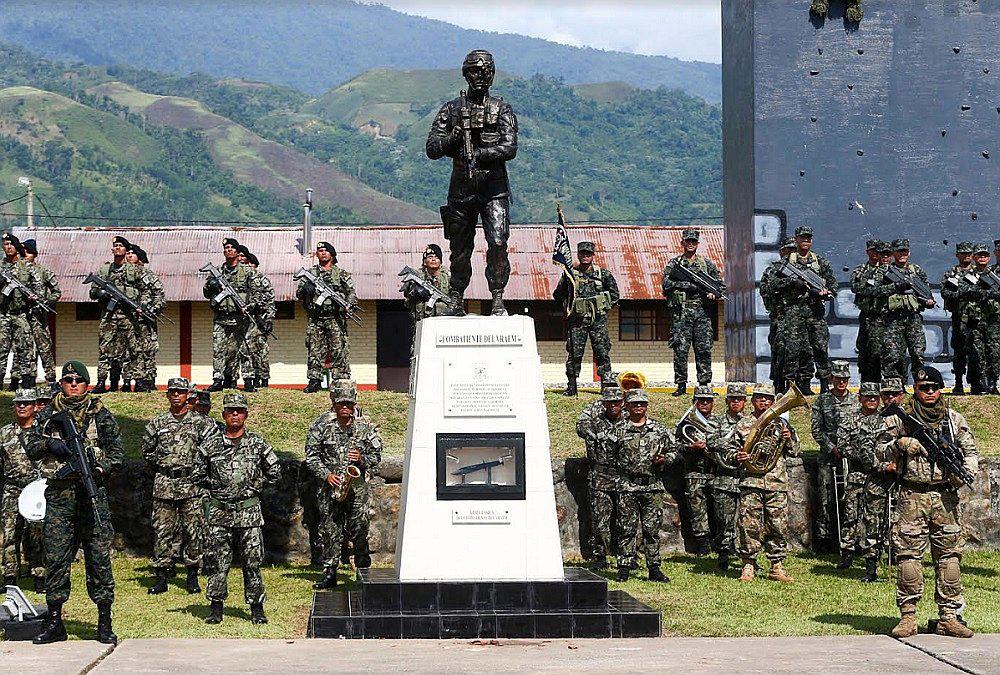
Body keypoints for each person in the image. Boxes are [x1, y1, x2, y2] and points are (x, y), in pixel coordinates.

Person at [27, 360, 124, 645]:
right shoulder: (47, 414)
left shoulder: (100, 414)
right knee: (56, 559)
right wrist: (49, 444)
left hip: (92, 495)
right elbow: (31, 447)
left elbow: (117, 450)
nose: (72, 384)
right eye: (67, 380)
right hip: (59, 497)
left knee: (98, 559)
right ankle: (55, 621)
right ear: (61, 384)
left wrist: (100, 467)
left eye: (77, 380)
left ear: (86, 384)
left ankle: (104, 621)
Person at [877, 366, 977, 638]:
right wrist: (899, 445)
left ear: (941, 389)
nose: (930, 392)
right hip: (912, 496)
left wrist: (962, 476)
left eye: (934, 387)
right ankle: (908, 616)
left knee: (950, 557)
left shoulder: (953, 421)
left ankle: (948, 616)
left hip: (945, 498)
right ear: (915, 390)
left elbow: (970, 453)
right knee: (908, 555)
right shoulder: (900, 419)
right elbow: (876, 451)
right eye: (924, 387)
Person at [425, 49, 518, 316]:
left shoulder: (502, 109)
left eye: (486, 70)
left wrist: (479, 154)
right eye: (475, 70)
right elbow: (432, 148)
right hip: (461, 189)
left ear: (493, 74)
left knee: (498, 243)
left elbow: (510, 147)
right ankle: (456, 297)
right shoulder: (451, 109)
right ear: (465, 74)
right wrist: (453, 139)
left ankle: (497, 297)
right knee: (460, 247)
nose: (481, 75)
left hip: (494, 189)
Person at [192, 393, 281, 625]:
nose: (234, 414)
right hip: (220, 512)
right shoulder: (210, 445)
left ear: (246, 415)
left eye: (239, 411)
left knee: (252, 561)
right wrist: (215, 488)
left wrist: (255, 486)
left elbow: (275, 472)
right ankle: (216, 607)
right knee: (217, 561)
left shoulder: (258, 443)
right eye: (230, 410)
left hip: (249, 513)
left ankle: (256, 607)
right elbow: (196, 473)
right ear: (223, 415)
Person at [141, 377, 222, 596]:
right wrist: (164, 466)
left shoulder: (201, 423)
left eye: (180, 391)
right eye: (172, 392)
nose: (176, 395)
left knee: (193, 531)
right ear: (167, 395)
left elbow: (213, 451)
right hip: (164, 485)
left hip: (192, 485)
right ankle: (161, 576)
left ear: (188, 395)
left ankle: (192, 575)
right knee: (162, 531)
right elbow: (147, 452)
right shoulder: (157, 423)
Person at [306, 380, 382, 590]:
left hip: (357, 489)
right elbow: (311, 457)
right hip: (330, 489)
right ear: (333, 402)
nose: (346, 407)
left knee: (360, 529)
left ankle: (363, 572)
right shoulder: (320, 425)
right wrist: (327, 475)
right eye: (341, 403)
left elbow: (376, 457)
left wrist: (361, 459)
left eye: (349, 403)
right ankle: (330, 574)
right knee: (330, 531)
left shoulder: (365, 427)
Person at [725, 383, 800, 583]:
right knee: (748, 524)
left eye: (767, 398)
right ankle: (748, 564)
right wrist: (737, 455)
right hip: (751, 481)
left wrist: (789, 438)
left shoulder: (782, 424)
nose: (764, 401)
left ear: (773, 402)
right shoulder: (742, 424)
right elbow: (729, 450)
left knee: (778, 524)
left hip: (776, 482)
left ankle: (777, 566)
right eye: (760, 397)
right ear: (752, 401)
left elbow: (794, 451)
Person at [612, 388, 675, 583]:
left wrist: (665, 459)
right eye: (634, 404)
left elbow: (674, 450)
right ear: (627, 406)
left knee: (652, 530)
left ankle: (654, 568)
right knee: (626, 528)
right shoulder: (618, 429)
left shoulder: (659, 429)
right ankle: (624, 566)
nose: (639, 407)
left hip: (652, 487)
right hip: (627, 487)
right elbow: (609, 456)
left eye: (642, 403)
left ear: (647, 406)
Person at [660, 229, 725, 397]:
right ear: (682, 243)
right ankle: (681, 385)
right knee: (680, 349)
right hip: (681, 314)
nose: (690, 244)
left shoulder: (706, 264)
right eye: (688, 241)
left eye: (694, 241)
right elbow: (666, 283)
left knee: (703, 349)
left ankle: (704, 384)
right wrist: (686, 285)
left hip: (702, 314)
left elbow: (720, 287)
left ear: (698, 243)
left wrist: (713, 294)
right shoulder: (675, 264)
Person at [772, 225, 836, 394]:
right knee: (792, 350)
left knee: (820, 348)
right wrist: (792, 283)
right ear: (797, 239)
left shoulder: (820, 262)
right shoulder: (785, 262)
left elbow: (832, 284)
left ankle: (824, 384)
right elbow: (772, 284)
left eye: (809, 238)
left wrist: (825, 292)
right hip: (793, 313)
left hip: (815, 313)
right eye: (803, 238)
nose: (806, 241)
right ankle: (793, 387)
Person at [838, 381, 890, 582]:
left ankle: (872, 562)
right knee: (851, 515)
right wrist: (862, 455)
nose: (871, 400)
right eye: (867, 397)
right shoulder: (850, 420)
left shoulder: (885, 420)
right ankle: (847, 552)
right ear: (859, 398)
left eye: (875, 397)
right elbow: (842, 445)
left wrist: (879, 462)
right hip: (857, 475)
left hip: (879, 478)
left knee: (874, 520)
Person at [554, 241, 620, 396]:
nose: (585, 256)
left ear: (593, 255)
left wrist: (602, 305)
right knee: (574, 353)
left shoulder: (603, 274)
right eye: (582, 253)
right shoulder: (570, 275)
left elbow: (615, 295)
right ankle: (572, 385)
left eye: (588, 253)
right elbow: (557, 295)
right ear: (578, 254)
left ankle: (606, 386)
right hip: (577, 321)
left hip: (598, 321)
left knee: (602, 352)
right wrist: (570, 304)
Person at [204, 238, 267, 392]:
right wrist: (210, 286)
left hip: (242, 317)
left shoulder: (248, 272)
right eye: (226, 247)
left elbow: (258, 294)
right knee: (219, 349)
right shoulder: (217, 272)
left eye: (232, 247)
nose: (229, 250)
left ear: (238, 253)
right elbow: (206, 293)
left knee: (246, 349)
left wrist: (249, 307)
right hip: (221, 317)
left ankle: (248, 380)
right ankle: (218, 379)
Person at [809, 360, 858, 555]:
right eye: (838, 379)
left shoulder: (856, 401)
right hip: (828, 459)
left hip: (851, 458)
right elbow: (816, 430)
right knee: (826, 499)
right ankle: (825, 540)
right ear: (831, 379)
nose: (841, 382)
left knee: (851, 499)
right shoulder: (822, 401)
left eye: (845, 379)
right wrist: (831, 447)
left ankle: (850, 540)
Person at [296, 242, 357, 393]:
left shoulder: (341, 274)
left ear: (332, 255)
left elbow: (351, 293)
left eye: (325, 251)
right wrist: (306, 289)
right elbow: (299, 293)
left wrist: (348, 306)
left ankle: (340, 380)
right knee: (314, 349)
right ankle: (314, 380)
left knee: (339, 349)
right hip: (316, 317)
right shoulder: (310, 273)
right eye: (319, 251)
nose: (322, 253)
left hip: (335, 317)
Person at [576, 383, 624, 571]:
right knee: (600, 521)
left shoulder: (630, 422)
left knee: (626, 520)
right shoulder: (594, 420)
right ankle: (601, 556)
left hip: (623, 477)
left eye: (616, 402)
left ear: (622, 402)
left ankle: (627, 556)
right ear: (603, 403)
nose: (612, 405)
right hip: (600, 476)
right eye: (609, 402)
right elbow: (580, 428)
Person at [1, 388, 44, 591]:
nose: (21, 406)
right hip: (12, 488)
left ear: (35, 407)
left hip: (36, 488)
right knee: (9, 533)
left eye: (26, 403)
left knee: (37, 533)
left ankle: (39, 576)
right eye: (18, 403)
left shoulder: (43, 430)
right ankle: (9, 577)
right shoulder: (5, 433)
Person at [89, 235, 143, 393]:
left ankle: (135, 381)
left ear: (126, 250)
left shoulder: (135, 271)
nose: (118, 248)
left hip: (128, 316)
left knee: (133, 350)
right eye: (116, 246)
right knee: (104, 349)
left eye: (121, 246)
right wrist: (101, 294)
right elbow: (92, 292)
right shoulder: (104, 270)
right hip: (109, 316)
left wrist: (141, 305)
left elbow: (147, 290)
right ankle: (101, 382)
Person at [880, 239, 935, 384]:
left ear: (909, 253)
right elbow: (876, 292)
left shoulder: (917, 271)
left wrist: (928, 302)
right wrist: (895, 287)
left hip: (913, 317)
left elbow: (926, 293)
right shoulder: (884, 271)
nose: (902, 254)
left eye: (904, 251)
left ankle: (919, 384)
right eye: (899, 251)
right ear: (893, 253)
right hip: (892, 318)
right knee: (894, 355)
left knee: (917, 353)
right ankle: (896, 386)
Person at [706, 383, 747, 571]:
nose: (735, 402)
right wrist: (735, 445)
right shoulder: (716, 421)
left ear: (745, 402)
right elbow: (712, 441)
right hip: (724, 479)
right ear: (727, 401)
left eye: (739, 399)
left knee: (747, 521)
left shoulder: (750, 421)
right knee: (724, 521)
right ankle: (723, 556)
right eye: (732, 399)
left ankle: (748, 559)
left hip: (746, 479)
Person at [677, 385, 718, 556]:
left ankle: (721, 540)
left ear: (713, 403)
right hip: (695, 472)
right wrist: (691, 447)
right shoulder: (686, 424)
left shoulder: (719, 421)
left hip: (716, 470)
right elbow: (675, 446)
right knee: (697, 508)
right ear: (695, 402)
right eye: (701, 401)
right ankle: (702, 543)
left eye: (708, 401)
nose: (705, 404)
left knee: (720, 507)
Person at [122, 245, 166, 392]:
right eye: (127, 253)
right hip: (127, 320)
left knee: (147, 350)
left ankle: (148, 380)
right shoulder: (121, 275)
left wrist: (151, 310)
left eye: (132, 254)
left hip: (145, 320)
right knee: (129, 351)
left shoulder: (146, 274)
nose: (128, 256)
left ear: (139, 257)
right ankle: (129, 381)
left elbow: (159, 295)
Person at [0, 233, 39, 391]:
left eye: (11, 244)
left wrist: (33, 297)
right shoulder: (1, 267)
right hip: (3, 314)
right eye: (5, 244)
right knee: (1, 350)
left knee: (25, 349)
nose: (8, 247)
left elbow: (38, 287)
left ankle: (27, 382)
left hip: (20, 313)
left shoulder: (26, 266)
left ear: (17, 247)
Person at [21, 239, 61, 388]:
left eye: (29, 252)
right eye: (23, 251)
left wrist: (45, 301)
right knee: (26, 349)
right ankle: (27, 380)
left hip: (38, 317)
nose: (25, 255)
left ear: (35, 254)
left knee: (44, 348)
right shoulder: (16, 272)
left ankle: (51, 379)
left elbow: (57, 291)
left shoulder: (43, 272)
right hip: (22, 316)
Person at [851, 239, 890, 383]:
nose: (875, 254)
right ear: (867, 252)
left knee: (882, 352)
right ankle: (867, 382)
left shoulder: (889, 270)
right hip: (867, 315)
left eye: (878, 252)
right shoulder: (861, 270)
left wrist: (876, 290)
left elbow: (894, 289)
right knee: (865, 349)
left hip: (885, 316)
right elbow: (855, 287)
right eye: (872, 251)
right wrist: (877, 290)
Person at [963, 243, 1000, 395]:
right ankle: (982, 383)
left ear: (989, 257)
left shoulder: (994, 275)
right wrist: (982, 293)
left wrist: (989, 294)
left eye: (985, 255)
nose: (982, 258)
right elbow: (964, 290)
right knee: (978, 353)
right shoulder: (969, 274)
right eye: (979, 255)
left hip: (993, 319)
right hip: (975, 320)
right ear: (974, 257)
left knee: (994, 352)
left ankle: (993, 383)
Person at [940, 242, 975, 395]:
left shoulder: (980, 273)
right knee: (959, 352)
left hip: (977, 319)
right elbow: (944, 292)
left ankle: (976, 383)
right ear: (957, 255)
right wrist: (962, 293)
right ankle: (959, 383)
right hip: (959, 318)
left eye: (969, 253)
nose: (966, 255)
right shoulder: (951, 274)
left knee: (977, 352)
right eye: (963, 253)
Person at [760, 238, 795, 390]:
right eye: (788, 250)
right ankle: (779, 385)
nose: (791, 253)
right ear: (782, 252)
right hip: (780, 317)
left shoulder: (804, 271)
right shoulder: (772, 271)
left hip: (799, 320)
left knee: (800, 354)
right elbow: (765, 291)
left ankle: (797, 386)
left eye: (794, 250)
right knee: (780, 353)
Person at [402, 243, 451, 349]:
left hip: (443, 325)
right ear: (424, 261)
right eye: (430, 257)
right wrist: (415, 292)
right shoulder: (416, 277)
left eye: (436, 257)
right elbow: (407, 301)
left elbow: (456, 299)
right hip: (421, 323)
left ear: (441, 261)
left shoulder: (448, 278)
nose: (433, 260)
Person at [239, 249, 275, 391]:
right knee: (246, 349)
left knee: (261, 350)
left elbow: (270, 300)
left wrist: (268, 320)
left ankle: (263, 378)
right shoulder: (240, 278)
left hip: (260, 320)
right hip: (244, 319)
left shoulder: (262, 279)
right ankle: (249, 379)